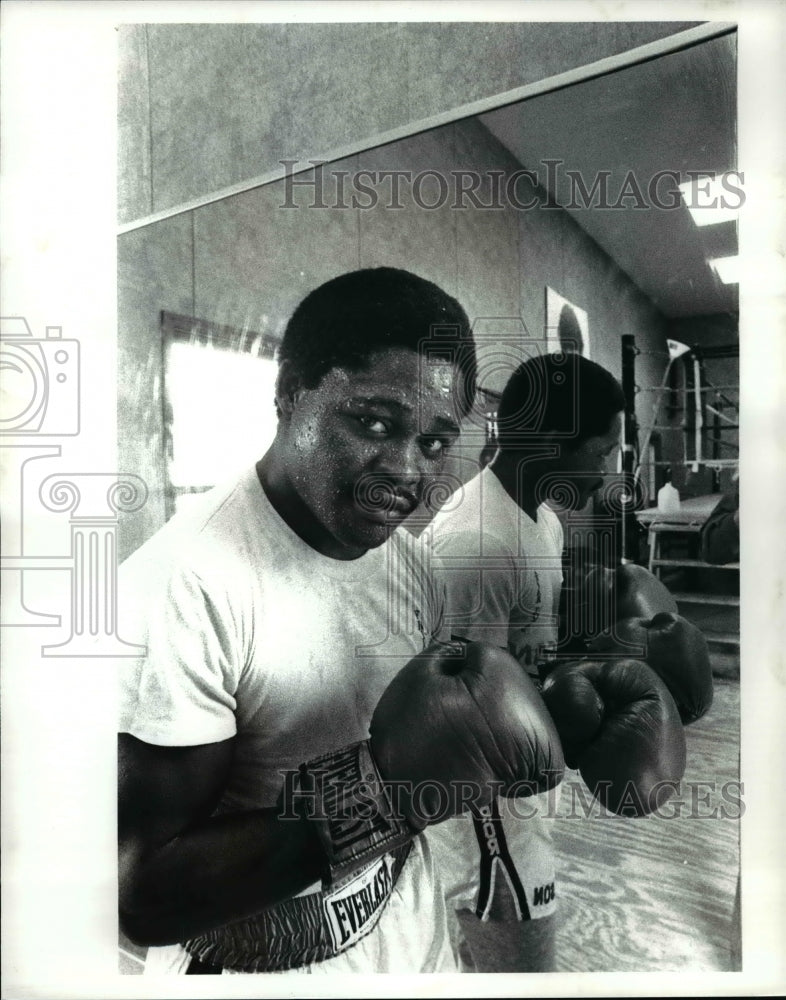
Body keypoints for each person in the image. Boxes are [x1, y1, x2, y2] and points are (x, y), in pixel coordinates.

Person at [117, 267, 495, 974]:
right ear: (290, 394)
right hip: (260, 967)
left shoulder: (413, 567)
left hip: (410, 937)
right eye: (375, 424)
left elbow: (422, 755)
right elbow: (143, 894)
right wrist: (388, 791)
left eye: (435, 444)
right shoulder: (186, 584)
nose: (405, 474)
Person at [424, 351, 626, 972]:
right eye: (601, 453)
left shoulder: (541, 519)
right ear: (551, 446)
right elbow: (465, 717)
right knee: (522, 965)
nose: (608, 474)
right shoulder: (478, 544)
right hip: (481, 804)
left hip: (523, 785)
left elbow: (524, 658)